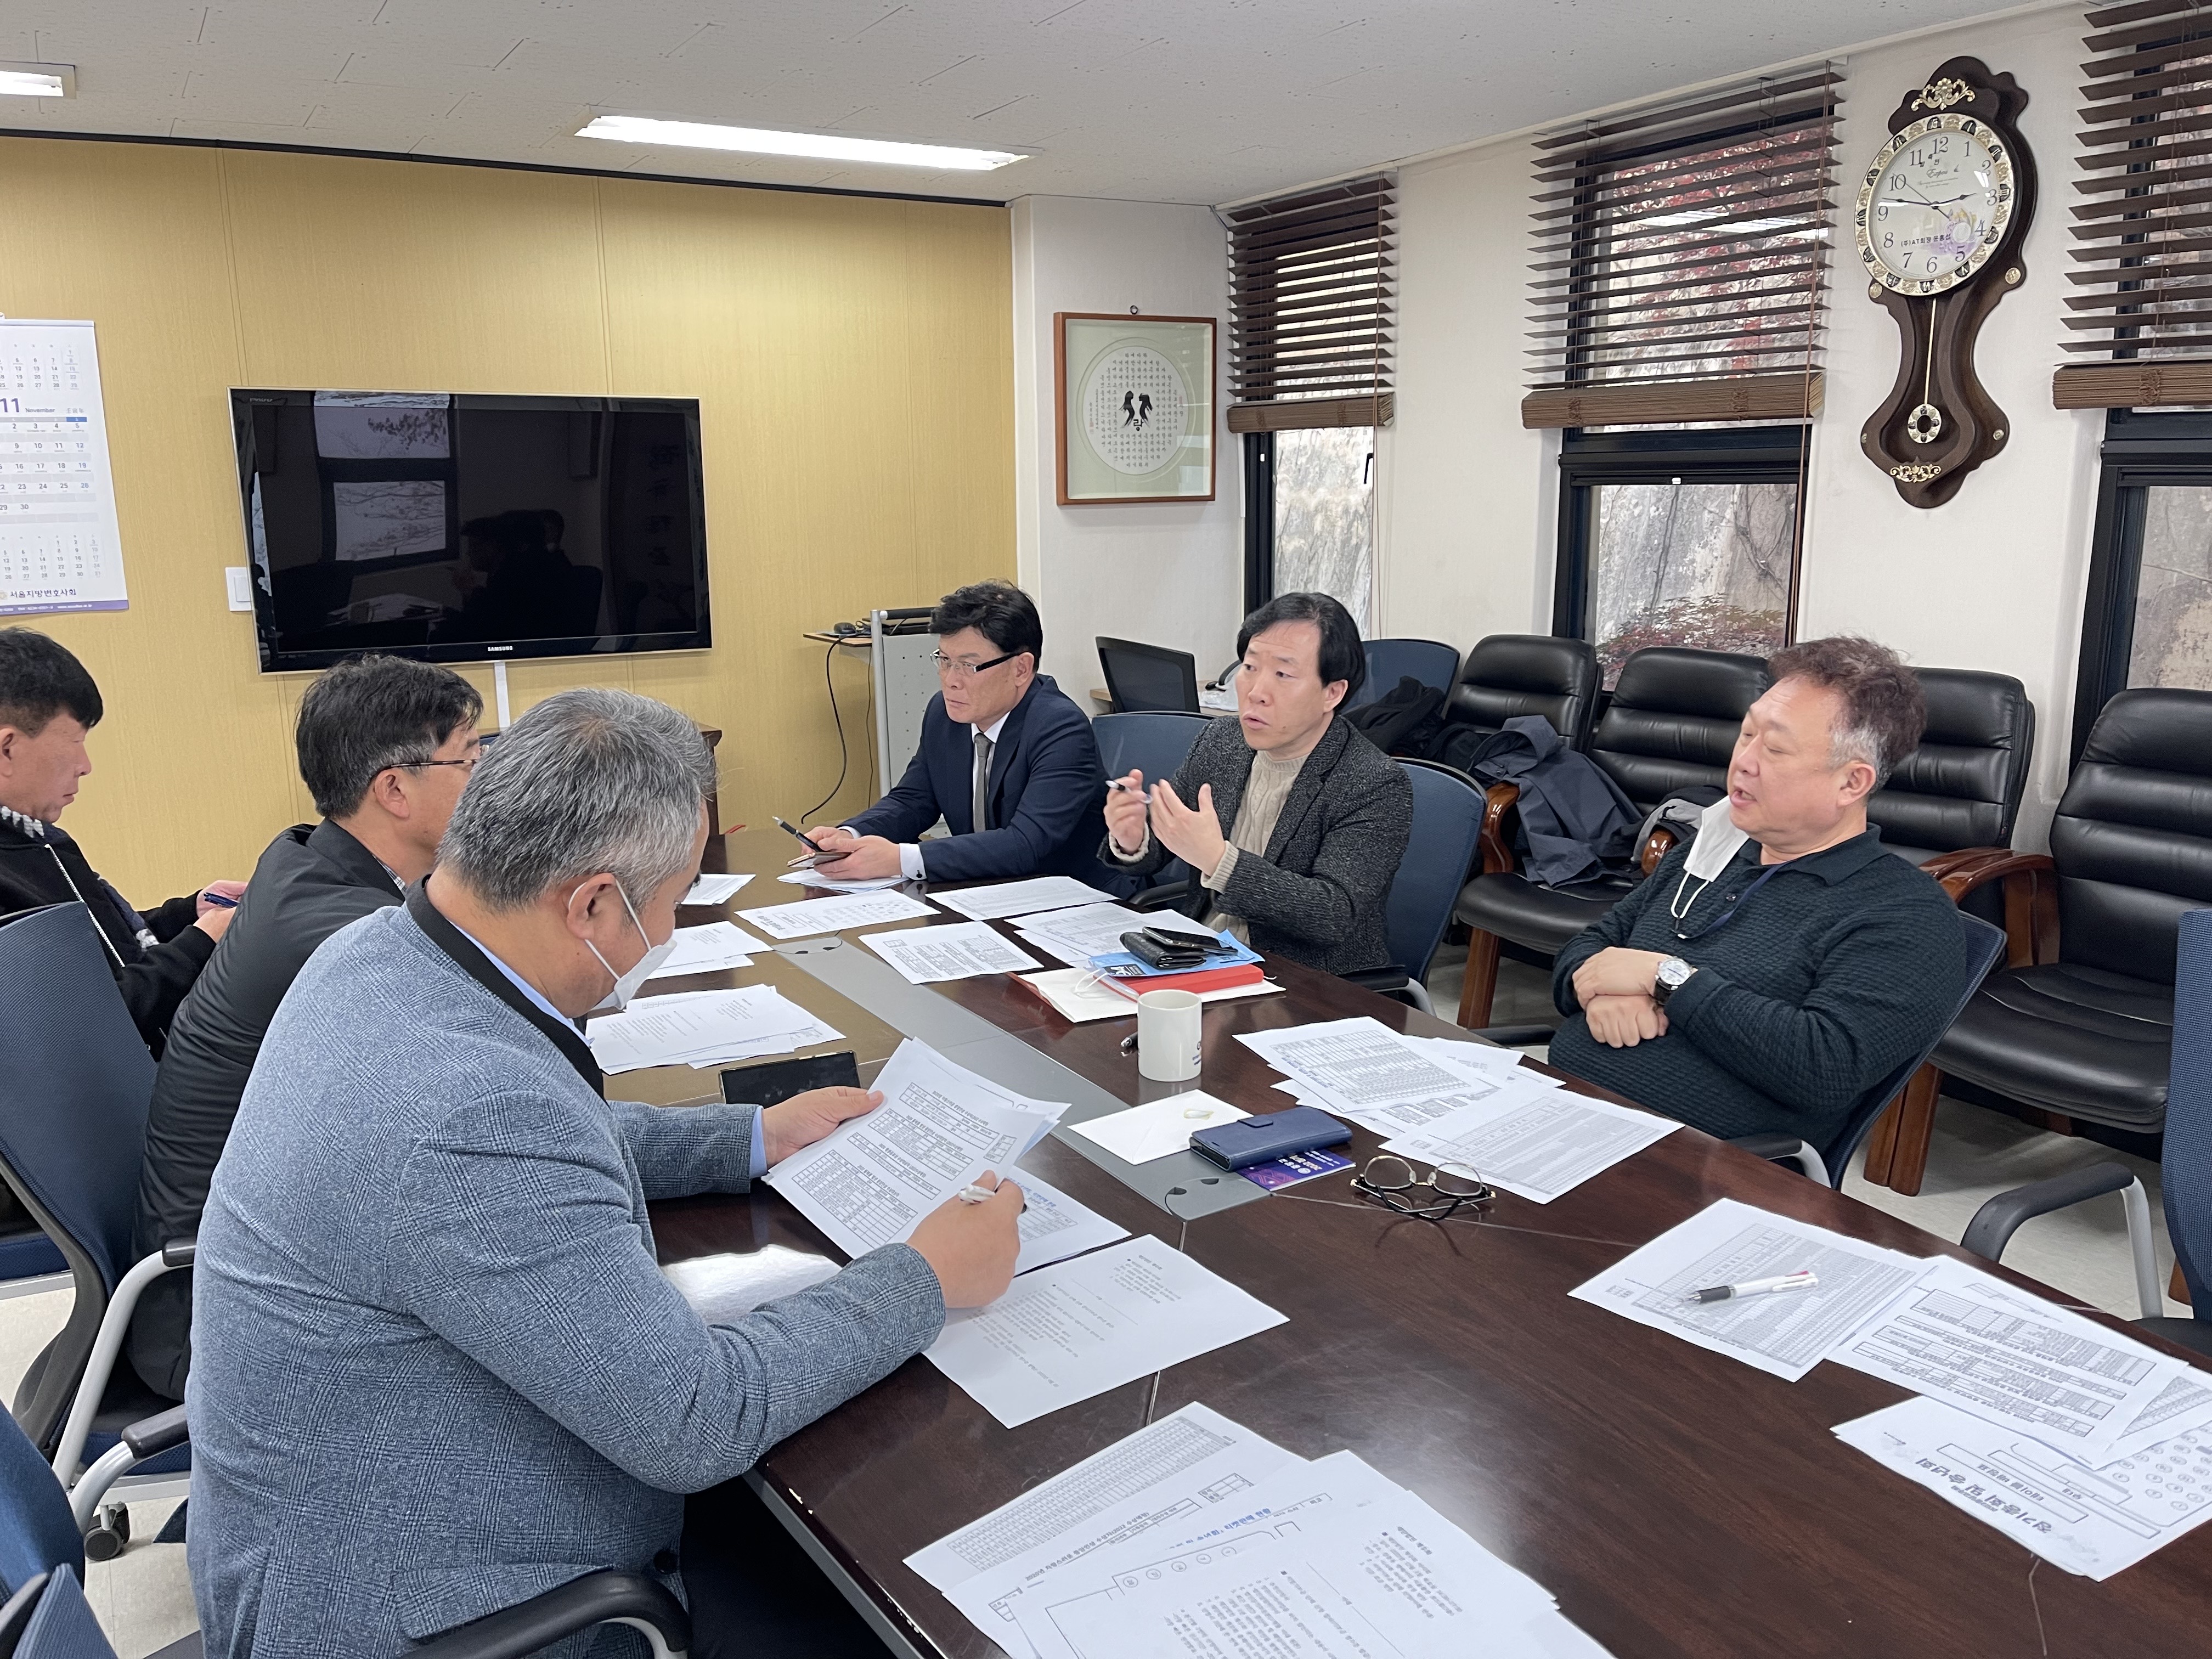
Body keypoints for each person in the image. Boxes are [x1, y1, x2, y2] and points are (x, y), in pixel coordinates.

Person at [188, 687, 1022, 1659]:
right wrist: (924, 1275)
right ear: (590, 903)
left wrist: (750, 1135)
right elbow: (693, 1419)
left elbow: (547, 1136)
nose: (667, 932)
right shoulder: (471, 1114)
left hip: (348, 1508)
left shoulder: (381, 951)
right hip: (434, 1610)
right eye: (670, 901)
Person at [125, 653, 483, 1402]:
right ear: (394, 789)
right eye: (471, 758)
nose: (488, 779)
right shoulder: (346, 933)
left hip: (268, 1254)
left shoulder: (306, 858)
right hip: (221, 1312)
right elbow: (480, 1102)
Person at [1548, 636, 1968, 1160]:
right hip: (1559, 1118)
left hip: (1693, 1170)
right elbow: (1588, 950)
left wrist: (1667, 980)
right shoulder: (1710, 853)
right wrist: (1603, 992)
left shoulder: (1905, 915)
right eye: (1747, 735)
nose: (1743, 762)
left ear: (1851, 782)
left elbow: (1824, 1068)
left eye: (1775, 749)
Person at [1102, 592, 1410, 975]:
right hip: (1197, 955)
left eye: (1283, 675)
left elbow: (1333, 914)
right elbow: (1164, 847)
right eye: (1250, 667)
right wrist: (1134, 838)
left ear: (1332, 693)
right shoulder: (1221, 741)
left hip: (1306, 980)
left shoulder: (1373, 783)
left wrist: (1219, 861)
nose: (1256, 692)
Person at [0, 627, 242, 1057]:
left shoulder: (41, 842)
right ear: (7, 748)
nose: (85, 765)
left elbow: (104, 944)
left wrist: (188, 914)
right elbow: (90, 1025)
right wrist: (200, 943)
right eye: (75, 743)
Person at [807, 579, 1130, 890]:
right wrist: (850, 836)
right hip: (987, 891)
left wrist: (900, 859)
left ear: (1021, 669)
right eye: (944, 661)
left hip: (1069, 898)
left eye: (968, 666)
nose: (951, 680)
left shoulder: (1061, 728)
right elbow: (914, 800)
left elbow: (1026, 843)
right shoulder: (945, 714)